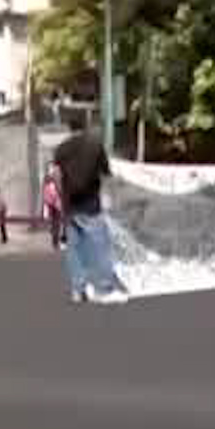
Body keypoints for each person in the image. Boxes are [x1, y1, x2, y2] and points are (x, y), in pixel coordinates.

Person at [53, 119, 128, 304]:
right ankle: (104, 288)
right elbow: (106, 173)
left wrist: (63, 197)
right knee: (100, 246)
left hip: (70, 205)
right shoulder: (95, 145)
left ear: (69, 128)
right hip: (91, 203)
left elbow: (56, 175)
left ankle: (78, 289)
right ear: (85, 127)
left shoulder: (61, 149)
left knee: (74, 248)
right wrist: (109, 197)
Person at [41, 166, 66, 250]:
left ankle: (55, 241)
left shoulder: (45, 187)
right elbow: (54, 195)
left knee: (55, 224)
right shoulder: (51, 186)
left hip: (51, 206)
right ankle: (56, 243)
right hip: (55, 206)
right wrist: (58, 198)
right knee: (56, 225)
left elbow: (45, 197)